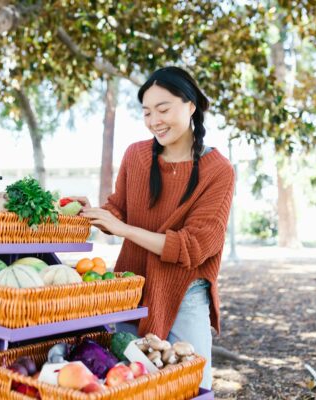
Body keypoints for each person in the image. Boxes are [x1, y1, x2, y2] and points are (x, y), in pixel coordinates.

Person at [77, 66, 235, 390]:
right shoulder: (136, 156)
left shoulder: (218, 171)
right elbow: (117, 210)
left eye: (163, 109)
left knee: (193, 389)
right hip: (131, 290)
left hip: (184, 296)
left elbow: (195, 246)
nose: (154, 120)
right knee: (124, 387)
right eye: (147, 112)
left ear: (191, 105)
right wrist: (90, 212)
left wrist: (125, 230)